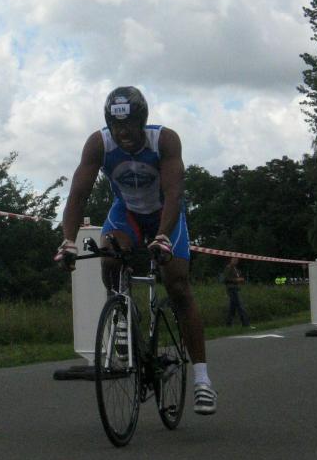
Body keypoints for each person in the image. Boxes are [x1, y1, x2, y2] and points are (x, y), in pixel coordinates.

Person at [55, 86, 217, 415]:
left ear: (142, 121)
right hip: (126, 213)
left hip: (164, 213)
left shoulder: (164, 140)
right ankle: (122, 316)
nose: (123, 133)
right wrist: (68, 241)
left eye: (129, 125)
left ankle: (202, 379)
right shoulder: (98, 144)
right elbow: (77, 196)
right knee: (110, 256)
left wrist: (162, 236)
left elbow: (174, 193)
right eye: (116, 126)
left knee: (177, 285)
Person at [224, 257, 250, 327]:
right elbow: (226, 279)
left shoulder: (235, 269)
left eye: (237, 260)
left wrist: (241, 280)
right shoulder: (228, 268)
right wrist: (237, 280)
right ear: (231, 260)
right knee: (240, 306)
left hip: (236, 288)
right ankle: (246, 323)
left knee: (232, 308)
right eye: (234, 259)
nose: (236, 261)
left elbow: (237, 278)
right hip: (231, 289)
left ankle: (228, 324)